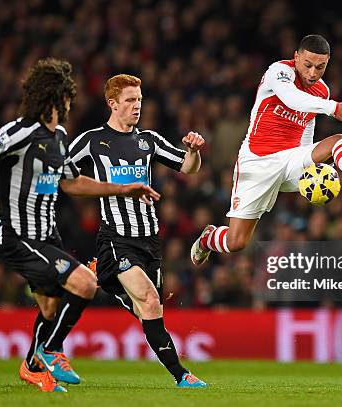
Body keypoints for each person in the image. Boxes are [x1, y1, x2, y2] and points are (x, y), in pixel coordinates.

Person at [0, 59, 160, 393]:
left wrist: (124, 188)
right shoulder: (21, 131)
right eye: (68, 97)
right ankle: (50, 350)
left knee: (50, 309)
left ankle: (32, 366)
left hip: (47, 236)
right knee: (84, 283)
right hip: (18, 235)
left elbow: (71, 182)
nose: (70, 104)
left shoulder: (60, 136)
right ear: (57, 97)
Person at [190, 34, 342, 264]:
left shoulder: (322, 91)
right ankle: (208, 239)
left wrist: (309, 169)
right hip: (258, 161)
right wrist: (333, 108)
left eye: (320, 67)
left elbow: (307, 125)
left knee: (338, 140)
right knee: (237, 242)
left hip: (291, 158)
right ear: (296, 57)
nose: (313, 73)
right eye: (308, 65)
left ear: (327, 64)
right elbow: (291, 98)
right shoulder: (278, 72)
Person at [69, 74, 208, 388]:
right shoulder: (92, 141)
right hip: (116, 237)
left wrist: (194, 150)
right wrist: (113, 190)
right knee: (148, 299)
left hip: (149, 241)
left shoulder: (149, 140)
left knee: (150, 307)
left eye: (139, 101)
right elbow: (65, 179)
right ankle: (181, 375)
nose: (136, 107)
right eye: (130, 100)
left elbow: (187, 168)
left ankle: (105, 278)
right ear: (112, 103)